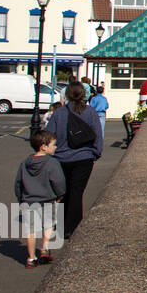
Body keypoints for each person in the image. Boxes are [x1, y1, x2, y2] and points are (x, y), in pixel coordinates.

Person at [45, 82, 104, 238]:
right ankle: (73, 227)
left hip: (61, 158)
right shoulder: (90, 112)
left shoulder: (59, 113)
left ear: (67, 95)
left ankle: (62, 225)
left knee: (63, 192)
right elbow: (98, 134)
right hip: (84, 157)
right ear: (83, 94)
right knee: (77, 192)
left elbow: (49, 134)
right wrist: (96, 153)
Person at [15, 129, 66, 268]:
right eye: (53, 144)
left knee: (30, 230)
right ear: (44, 146)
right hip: (47, 199)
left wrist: (20, 198)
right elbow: (59, 182)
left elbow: (18, 183)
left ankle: (31, 258)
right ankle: (44, 248)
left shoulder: (25, 163)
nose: (55, 147)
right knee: (48, 224)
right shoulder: (52, 163)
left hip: (28, 201)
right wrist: (59, 195)